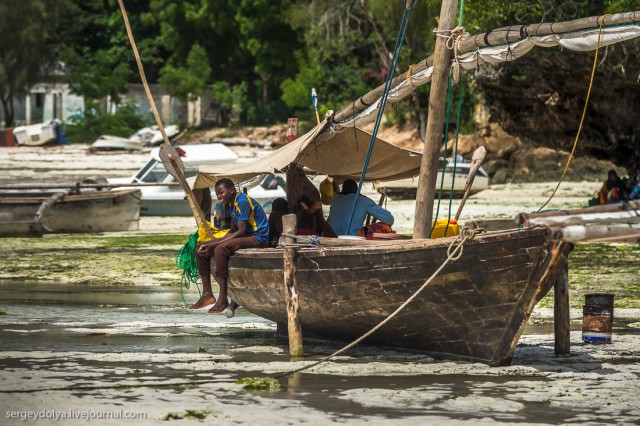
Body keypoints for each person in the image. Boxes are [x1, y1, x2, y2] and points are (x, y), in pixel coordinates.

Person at [190, 178, 269, 314]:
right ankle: (207, 294)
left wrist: (216, 243)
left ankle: (223, 298)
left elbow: (242, 231)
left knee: (221, 249)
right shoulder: (231, 203)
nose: (219, 196)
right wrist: (209, 243)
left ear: (232, 190)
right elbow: (233, 230)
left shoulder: (242, 201)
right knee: (199, 247)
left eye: (221, 193)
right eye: (217, 194)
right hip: (245, 235)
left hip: (257, 237)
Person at [328, 179, 394, 236]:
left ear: (343, 189)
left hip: (332, 234)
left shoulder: (335, 199)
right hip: (353, 236)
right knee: (385, 227)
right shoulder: (363, 200)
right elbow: (389, 219)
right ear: (357, 189)